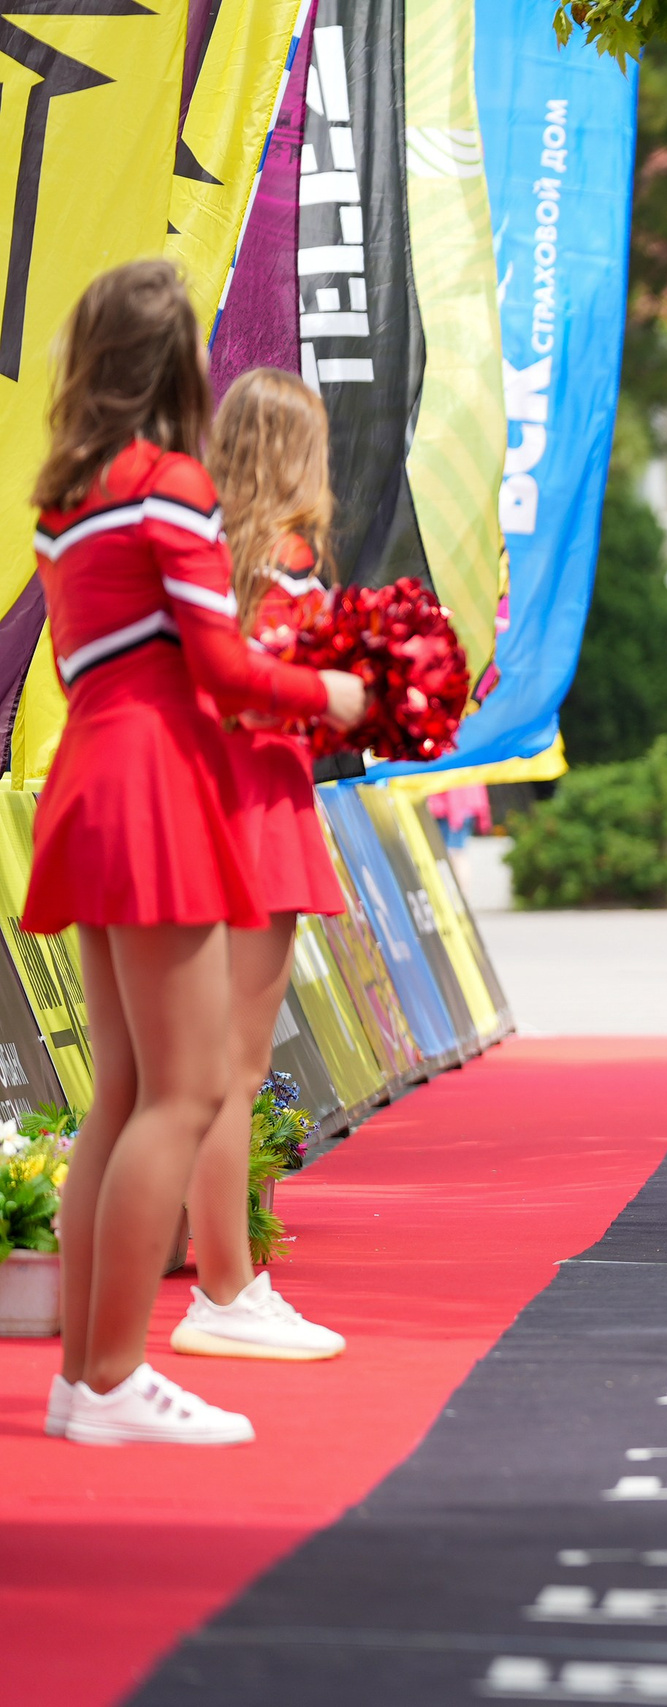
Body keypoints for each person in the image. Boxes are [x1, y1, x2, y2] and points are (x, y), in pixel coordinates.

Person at [34, 261, 365, 1445]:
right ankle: (112, 1381)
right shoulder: (167, 484)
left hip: (88, 780)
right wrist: (330, 688)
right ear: (177, 362)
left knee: (121, 1096)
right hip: (152, 790)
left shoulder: (63, 499)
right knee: (179, 1091)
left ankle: (90, 1378)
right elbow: (222, 670)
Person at [168, 368, 361, 1365]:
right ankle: (226, 1288)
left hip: (199, 809)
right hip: (262, 812)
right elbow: (266, 697)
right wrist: (343, 691)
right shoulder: (286, 566)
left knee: (201, 1073)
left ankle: (227, 1279)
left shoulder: (200, 557)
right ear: (297, 452)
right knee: (233, 1073)